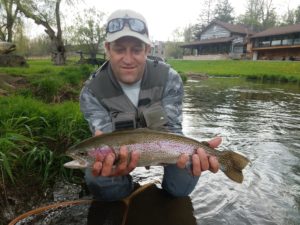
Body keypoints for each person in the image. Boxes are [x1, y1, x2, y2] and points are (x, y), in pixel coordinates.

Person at [79, 9, 220, 202]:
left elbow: (173, 130)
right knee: (98, 176)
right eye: (119, 49)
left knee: (183, 184)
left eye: (136, 50)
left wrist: (200, 150)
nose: (128, 59)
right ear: (108, 48)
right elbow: (103, 141)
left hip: (168, 150)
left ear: (147, 49)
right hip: (121, 156)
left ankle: (172, 189)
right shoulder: (92, 91)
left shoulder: (169, 78)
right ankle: (125, 190)